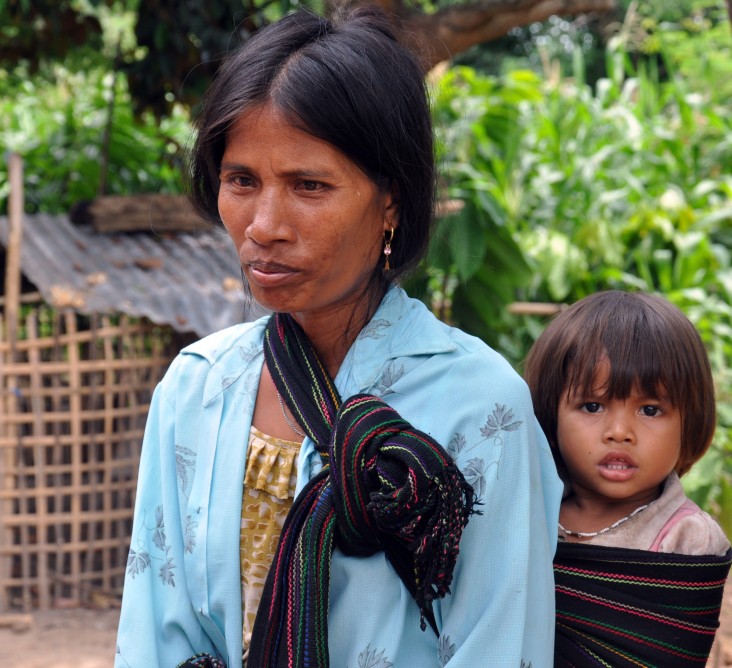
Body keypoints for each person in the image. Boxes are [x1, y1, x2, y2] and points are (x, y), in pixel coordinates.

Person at [114, 8, 562, 668]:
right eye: (242, 180)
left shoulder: (479, 406)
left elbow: (501, 643)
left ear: (393, 202)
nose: (264, 225)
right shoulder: (196, 387)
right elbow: (155, 632)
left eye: (309, 185)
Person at [523, 290, 732, 667]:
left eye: (650, 409)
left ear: (691, 420)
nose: (619, 431)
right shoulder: (528, 515)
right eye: (592, 406)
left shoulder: (688, 538)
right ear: (550, 415)